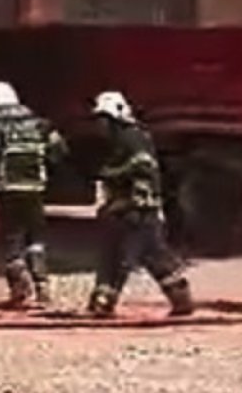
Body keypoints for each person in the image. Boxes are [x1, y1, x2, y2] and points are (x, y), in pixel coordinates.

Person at [86, 91, 194, 318]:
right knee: (143, 256)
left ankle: (104, 302)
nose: (100, 126)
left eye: (104, 120)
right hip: (132, 209)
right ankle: (179, 298)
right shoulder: (122, 140)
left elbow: (143, 168)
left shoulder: (131, 138)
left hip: (137, 209)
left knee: (128, 255)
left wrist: (112, 176)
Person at [0, 81, 68, 307]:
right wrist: (43, 165)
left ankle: (20, 290)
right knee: (35, 239)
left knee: (10, 239)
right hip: (35, 189)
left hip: (8, 189)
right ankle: (43, 288)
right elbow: (60, 150)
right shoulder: (41, 124)